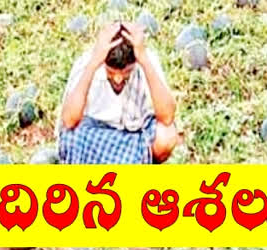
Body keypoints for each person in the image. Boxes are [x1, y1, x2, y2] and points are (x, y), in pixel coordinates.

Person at [57, 21, 178, 164]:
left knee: (167, 135)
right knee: (72, 136)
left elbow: (167, 117)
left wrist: (144, 60)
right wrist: (93, 64)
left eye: (126, 72)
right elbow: (69, 120)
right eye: (111, 72)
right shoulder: (88, 62)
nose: (118, 79)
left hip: (134, 134)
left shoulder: (146, 61)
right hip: (96, 134)